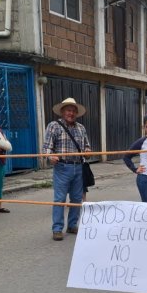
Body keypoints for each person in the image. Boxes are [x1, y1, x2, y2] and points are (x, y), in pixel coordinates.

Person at [43, 98, 91, 241]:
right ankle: (57, 229)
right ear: (62, 112)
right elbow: (46, 148)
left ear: (77, 113)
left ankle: (72, 225)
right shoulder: (54, 126)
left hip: (79, 167)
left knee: (77, 199)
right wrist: (50, 156)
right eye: (68, 110)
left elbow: (86, 146)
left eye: (73, 111)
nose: (71, 113)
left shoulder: (81, 128)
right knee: (60, 199)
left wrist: (88, 151)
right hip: (62, 167)